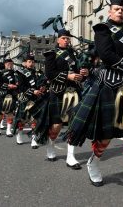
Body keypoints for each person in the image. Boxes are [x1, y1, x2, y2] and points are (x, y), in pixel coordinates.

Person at [68, 0, 123, 200]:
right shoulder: (102, 29)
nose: (120, 12)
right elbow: (106, 55)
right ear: (109, 12)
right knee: (105, 137)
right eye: (116, 9)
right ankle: (94, 162)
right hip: (109, 85)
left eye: (122, 10)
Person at [33, 29, 89, 167]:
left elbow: (79, 73)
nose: (66, 40)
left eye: (68, 38)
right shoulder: (51, 54)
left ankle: (71, 157)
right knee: (56, 125)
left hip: (74, 92)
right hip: (58, 93)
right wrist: (67, 76)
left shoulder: (74, 54)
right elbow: (50, 73)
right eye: (64, 38)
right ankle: (50, 147)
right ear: (58, 40)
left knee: (73, 125)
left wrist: (84, 73)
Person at [14, 55, 46, 149]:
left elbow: (43, 82)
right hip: (25, 98)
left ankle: (34, 139)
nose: (31, 64)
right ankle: (19, 134)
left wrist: (43, 87)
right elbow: (21, 87)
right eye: (29, 62)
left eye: (32, 62)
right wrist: (33, 91)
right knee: (22, 119)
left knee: (35, 119)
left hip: (37, 98)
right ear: (25, 63)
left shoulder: (39, 73)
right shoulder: (21, 73)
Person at [0, 59, 18, 137]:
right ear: (5, 64)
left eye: (11, 64)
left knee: (10, 112)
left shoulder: (15, 73)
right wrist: (8, 86)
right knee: (1, 113)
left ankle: (8, 129)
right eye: (8, 64)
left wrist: (17, 84)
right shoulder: (0, 73)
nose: (10, 65)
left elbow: (17, 82)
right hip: (3, 94)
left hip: (12, 94)